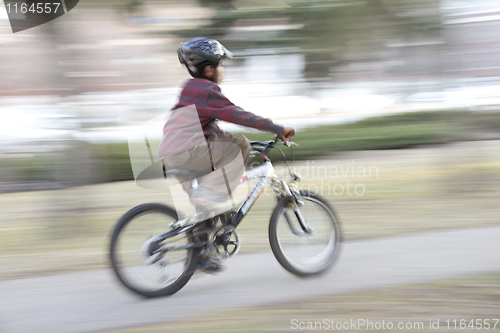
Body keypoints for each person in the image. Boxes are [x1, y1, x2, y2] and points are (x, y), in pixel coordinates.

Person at [158, 37, 296, 272]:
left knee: (209, 208)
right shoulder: (207, 89)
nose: (222, 71)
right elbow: (236, 114)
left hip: (172, 155)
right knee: (237, 148)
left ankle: (201, 254)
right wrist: (275, 127)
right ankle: (209, 195)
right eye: (221, 66)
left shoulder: (190, 89)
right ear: (209, 69)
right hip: (188, 151)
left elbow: (209, 128)